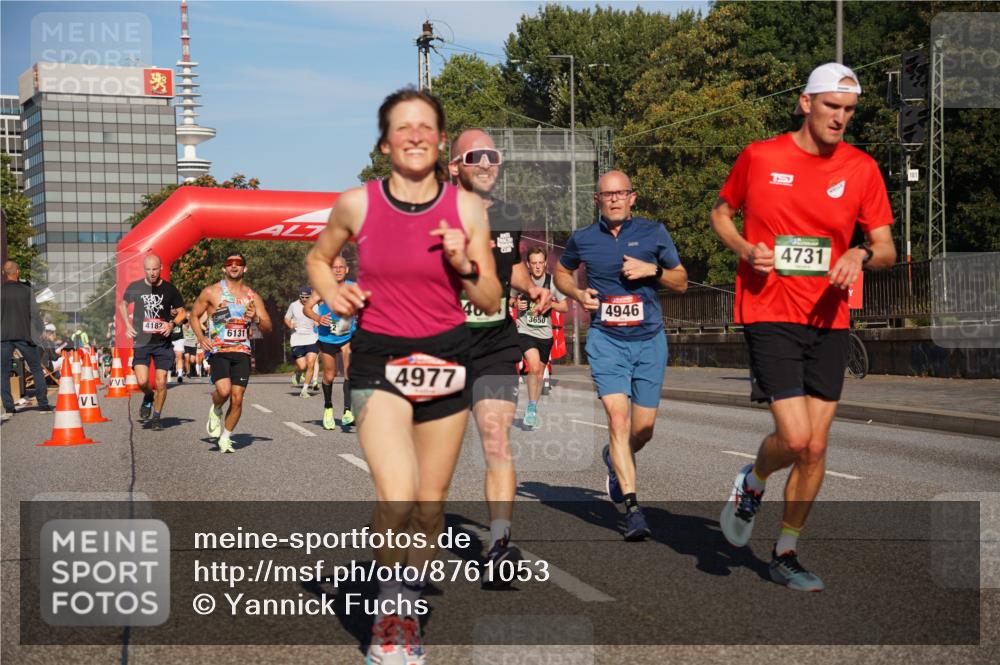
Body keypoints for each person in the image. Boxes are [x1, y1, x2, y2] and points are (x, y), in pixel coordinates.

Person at [305, 88, 500, 665]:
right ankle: (392, 616)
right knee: (395, 496)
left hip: (447, 360)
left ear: (440, 140)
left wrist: (464, 264)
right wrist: (331, 290)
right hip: (379, 362)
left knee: (430, 507)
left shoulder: (467, 210)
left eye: (425, 126)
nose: (414, 135)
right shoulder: (356, 204)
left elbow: (489, 296)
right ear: (385, 141)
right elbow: (318, 258)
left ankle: (409, 599)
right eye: (401, 127)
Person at [710, 63, 895, 591]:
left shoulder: (861, 168)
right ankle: (753, 479)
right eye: (831, 107)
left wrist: (859, 253)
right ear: (805, 103)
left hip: (830, 316)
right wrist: (745, 249)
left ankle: (786, 550)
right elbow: (721, 214)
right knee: (793, 437)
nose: (840, 118)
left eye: (849, 111)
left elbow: (885, 248)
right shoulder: (761, 156)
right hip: (769, 310)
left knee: (815, 447)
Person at [555, 170, 687, 541]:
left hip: (649, 341)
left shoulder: (653, 233)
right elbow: (562, 273)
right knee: (617, 419)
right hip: (606, 340)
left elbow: (681, 281)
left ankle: (615, 459)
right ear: (597, 200)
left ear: (632, 198)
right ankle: (633, 509)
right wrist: (578, 295)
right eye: (606, 194)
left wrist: (653, 270)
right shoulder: (583, 238)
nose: (614, 199)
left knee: (642, 430)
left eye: (621, 193)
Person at [447, 128, 550, 582]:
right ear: (455, 168)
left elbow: (510, 274)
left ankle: (500, 544)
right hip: (439, 347)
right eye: (476, 156)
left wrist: (537, 291)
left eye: (494, 155)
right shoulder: (430, 213)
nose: (488, 162)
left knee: (496, 439)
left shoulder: (508, 214)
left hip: (493, 342)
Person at [191, 253, 272, 453]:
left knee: (237, 398)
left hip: (242, 351)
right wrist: (201, 338)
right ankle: (217, 408)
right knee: (224, 391)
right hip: (219, 350)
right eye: (230, 263)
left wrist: (257, 319)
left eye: (238, 264)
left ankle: (226, 437)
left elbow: (269, 326)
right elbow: (193, 316)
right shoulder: (212, 292)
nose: (234, 266)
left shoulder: (252, 297)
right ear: (224, 268)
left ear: (245, 269)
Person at [119, 254, 186, 431]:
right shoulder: (136, 287)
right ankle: (148, 396)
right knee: (141, 381)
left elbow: (182, 312)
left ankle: (156, 417)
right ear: (144, 269)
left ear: (160, 268)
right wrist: (127, 325)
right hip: (142, 340)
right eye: (148, 269)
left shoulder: (170, 289)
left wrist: (171, 324)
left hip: (163, 342)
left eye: (155, 269)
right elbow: (122, 304)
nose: (152, 273)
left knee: (162, 381)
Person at [513, 246, 568, 426]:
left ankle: (532, 407)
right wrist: (516, 303)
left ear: (545, 263)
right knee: (534, 367)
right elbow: (509, 297)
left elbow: (565, 307)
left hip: (545, 334)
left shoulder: (552, 282)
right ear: (528, 264)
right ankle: (530, 407)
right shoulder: (522, 280)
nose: (537, 267)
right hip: (525, 330)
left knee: (538, 373)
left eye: (540, 263)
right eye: (534, 263)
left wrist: (551, 305)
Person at [303, 256, 356, 429]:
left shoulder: (353, 287)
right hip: (328, 337)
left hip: (348, 335)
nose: (338, 270)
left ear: (347, 270)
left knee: (349, 371)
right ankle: (328, 407)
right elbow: (307, 308)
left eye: (342, 267)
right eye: (334, 267)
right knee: (329, 375)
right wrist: (318, 318)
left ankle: (348, 411)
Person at [1, 260, 52, 419]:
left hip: (3, 336)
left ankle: (9, 408)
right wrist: (41, 330)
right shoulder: (26, 291)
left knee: (3, 372)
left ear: (3, 273)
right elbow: (35, 314)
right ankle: (43, 404)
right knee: (36, 368)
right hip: (25, 335)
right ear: (18, 272)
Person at [284, 286, 320, 398]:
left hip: (311, 338)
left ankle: (304, 390)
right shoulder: (293, 305)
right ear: (299, 296)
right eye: (302, 297)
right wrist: (289, 324)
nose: (304, 299)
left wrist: (317, 322)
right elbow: (286, 318)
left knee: (311, 363)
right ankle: (298, 372)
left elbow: (317, 318)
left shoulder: (315, 306)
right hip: (297, 338)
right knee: (302, 365)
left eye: (307, 297)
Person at [181, 304, 202, 378]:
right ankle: (188, 372)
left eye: (189, 316)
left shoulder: (194, 324)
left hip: (193, 343)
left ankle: (190, 369)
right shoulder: (184, 324)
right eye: (187, 316)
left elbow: (197, 332)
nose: (188, 317)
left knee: (192, 360)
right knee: (187, 358)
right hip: (186, 343)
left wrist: (198, 340)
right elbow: (184, 327)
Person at [169, 306, 186, 383]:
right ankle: (170, 371)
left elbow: (188, 320)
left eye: (176, 308)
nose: (175, 310)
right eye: (173, 308)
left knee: (179, 356)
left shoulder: (181, 316)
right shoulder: (166, 316)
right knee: (170, 357)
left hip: (179, 338)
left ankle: (179, 375)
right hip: (169, 339)